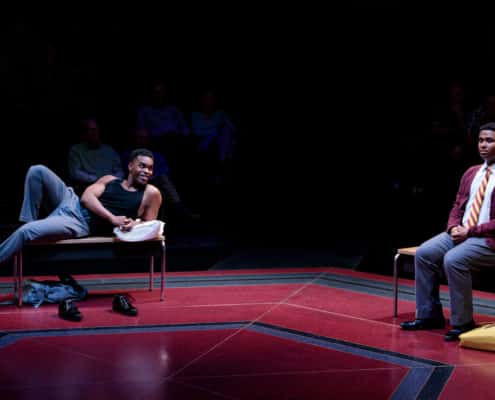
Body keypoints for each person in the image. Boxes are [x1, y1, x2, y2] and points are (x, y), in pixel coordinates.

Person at [0, 148, 162, 319]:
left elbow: (148, 227)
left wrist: (134, 224)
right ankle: (29, 222)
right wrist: (112, 218)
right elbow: (86, 197)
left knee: (26, 232)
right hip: (71, 201)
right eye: (142, 166)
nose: (147, 171)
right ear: (130, 166)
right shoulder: (110, 180)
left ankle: (29, 232)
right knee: (37, 170)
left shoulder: (151, 194)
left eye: (150, 168)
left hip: (79, 222)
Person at [401, 122, 495, 341]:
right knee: (425, 253)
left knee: (454, 260)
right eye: (481, 140)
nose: (483, 145)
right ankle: (429, 314)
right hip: (463, 232)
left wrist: (470, 231)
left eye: (489, 141)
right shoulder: (472, 172)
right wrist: (453, 227)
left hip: (488, 240)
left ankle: (463, 323)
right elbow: (457, 204)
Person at [68, 117, 124, 193]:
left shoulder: (110, 151)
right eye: (89, 130)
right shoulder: (76, 150)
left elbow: (119, 171)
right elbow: (75, 173)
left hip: (111, 188)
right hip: (87, 188)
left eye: (94, 130)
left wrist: (110, 179)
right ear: (84, 133)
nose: (92, 133)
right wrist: (97, 179)